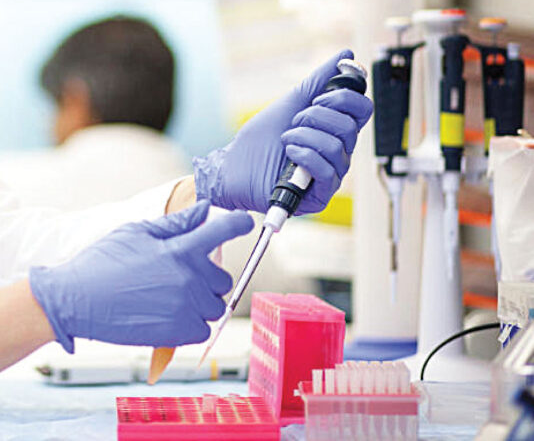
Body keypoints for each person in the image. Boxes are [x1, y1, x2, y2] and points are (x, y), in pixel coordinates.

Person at [0, 50, 373, 370]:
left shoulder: (23, 176)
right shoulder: (245, 231)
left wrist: (208, 186)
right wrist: (47, 304)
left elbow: (21, 250)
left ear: (74, 100)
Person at [0, 16, 187, 210]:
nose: (50, 126)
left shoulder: (12, 187)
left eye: (55, 107)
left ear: (75, 100)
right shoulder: (195, 193)